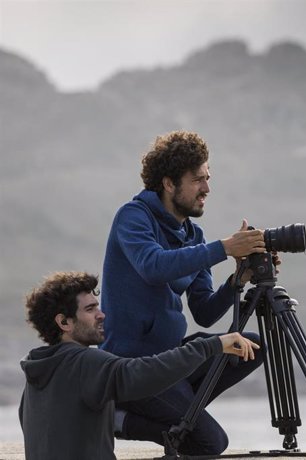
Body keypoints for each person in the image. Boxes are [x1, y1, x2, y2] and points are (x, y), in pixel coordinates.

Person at [100, 130, 274, 455]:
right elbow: (153, 266)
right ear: (169, 184)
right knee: (210, 442)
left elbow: (204, 311)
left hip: (172, 358)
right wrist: (224, 248)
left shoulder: (194, 235)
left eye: (207, 178)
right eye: (198, 180)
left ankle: (176, 411)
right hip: (132, 366)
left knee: (254, 345)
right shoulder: (133, 217)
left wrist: (238, 278)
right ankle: (120, 418)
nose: (207, 188)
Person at [19, 271, 259, 460]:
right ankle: (124, 420)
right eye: (90, 309)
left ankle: (123, 419)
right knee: (208, 441)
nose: (101, 315)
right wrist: (212, 346)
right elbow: (145, 373)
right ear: (64, 322)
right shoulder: (85, 362)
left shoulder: (34, 378)